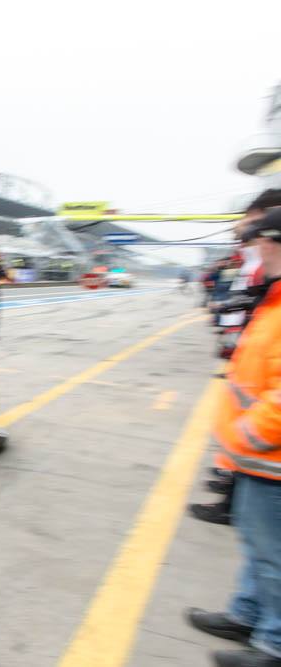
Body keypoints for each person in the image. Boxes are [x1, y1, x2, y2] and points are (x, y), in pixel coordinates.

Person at [186, 207, 281, 667]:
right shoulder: (272, 296)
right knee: (255, 544)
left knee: (273, 555)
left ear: (272, 242)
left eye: (256, 239)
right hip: (255, 458)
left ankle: (274, 644)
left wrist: (252, 430)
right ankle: (248, 616)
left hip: (270, 453)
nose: (250, 250)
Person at [191, 189, 281, 526]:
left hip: (261, 442)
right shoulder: (254, 266)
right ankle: (229, 489)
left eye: (254, 231)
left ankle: (228, 495)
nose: (246, 236)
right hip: (250, 354)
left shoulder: (261, 261)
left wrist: (245, 435)